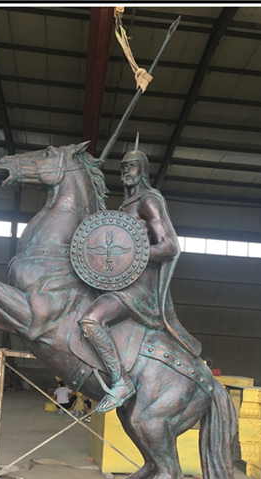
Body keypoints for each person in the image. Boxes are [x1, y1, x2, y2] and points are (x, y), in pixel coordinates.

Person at [79, 141, 201, 413]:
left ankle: (121, 382)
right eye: (123, 167)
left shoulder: (149, 201)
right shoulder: (124, 207)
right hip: (121, 282)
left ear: (142, 170)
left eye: (132, 166)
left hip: (138, 288)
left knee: (91, 319)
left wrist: (132, 255)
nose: (126, 171)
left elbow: (170, 247)